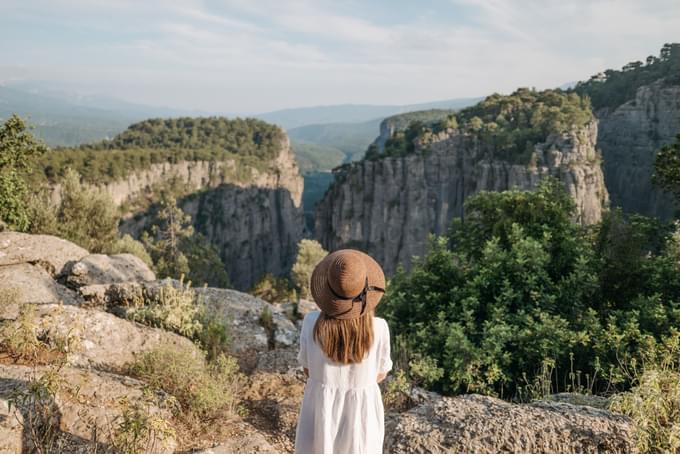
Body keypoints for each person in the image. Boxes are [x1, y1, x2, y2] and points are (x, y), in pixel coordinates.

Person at [294, 249, 393, 453]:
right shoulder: (380, 328)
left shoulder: (310, 322)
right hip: (362, 415)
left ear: (328, 293)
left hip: (321, 410)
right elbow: (381, 374)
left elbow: (308, 370)